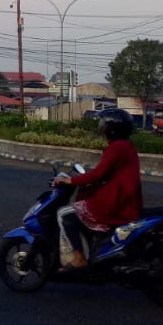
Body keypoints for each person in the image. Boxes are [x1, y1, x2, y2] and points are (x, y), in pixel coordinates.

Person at [52, 108, 143, 269]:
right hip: (124, 200)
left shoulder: (116, 148)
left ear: (113, 129)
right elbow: (107, 174)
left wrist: (70, 180)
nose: (102, 128)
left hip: (115, 203)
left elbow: (98, 174)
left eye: (104, 125)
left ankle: (78, 258)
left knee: (64, 214)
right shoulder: (126, 146)